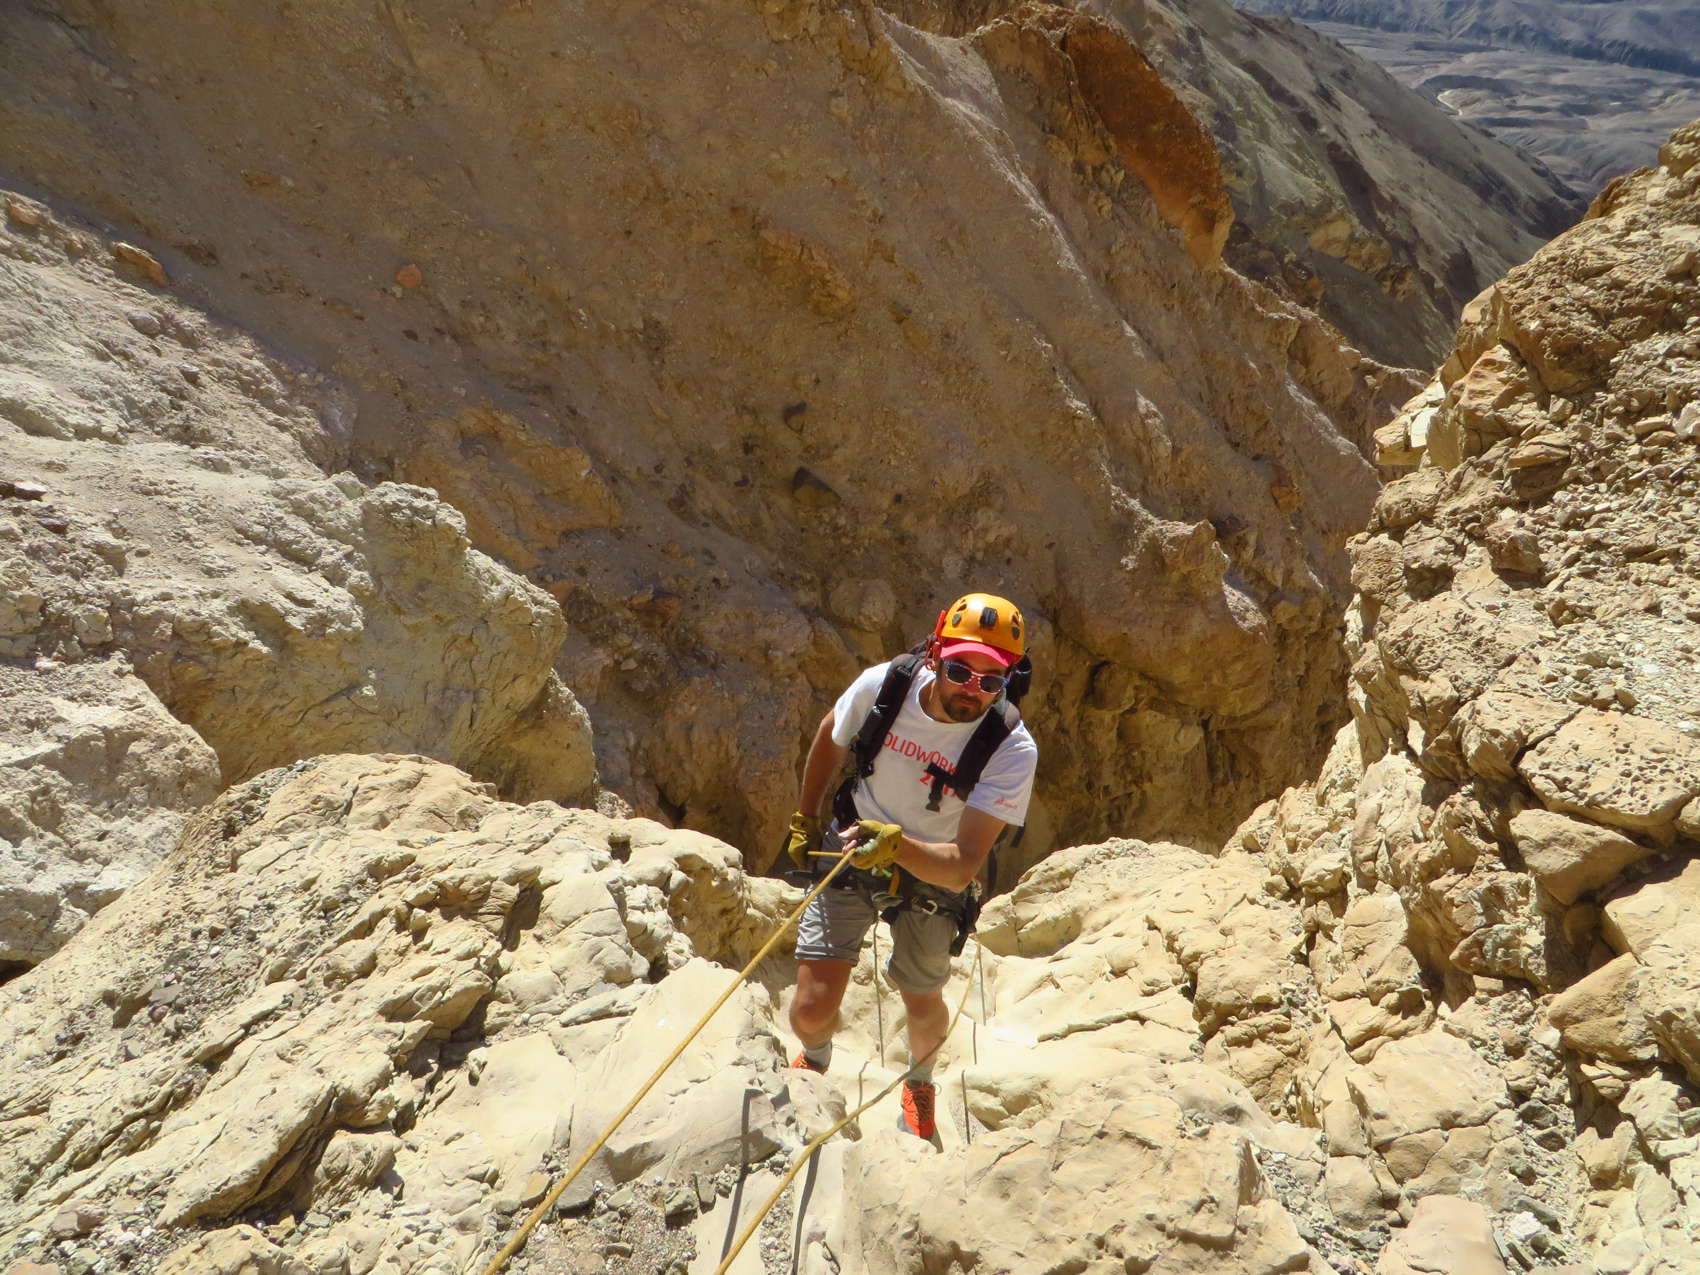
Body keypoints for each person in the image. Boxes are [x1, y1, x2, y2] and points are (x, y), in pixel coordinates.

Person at [781, 592, 1039, 1139]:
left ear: (1008, 679)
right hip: (853, 842)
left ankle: (920, 1081)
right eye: (959, 670)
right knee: (808, 1011)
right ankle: (817, 1054)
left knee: (922, 1001)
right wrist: (806, 816)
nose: (972, 689)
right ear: (936, 654)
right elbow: (832, 734)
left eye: (990, 680)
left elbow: (962, 866)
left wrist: (896, 848)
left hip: (934, 875)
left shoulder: (1011, 749)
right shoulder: (885, 686)